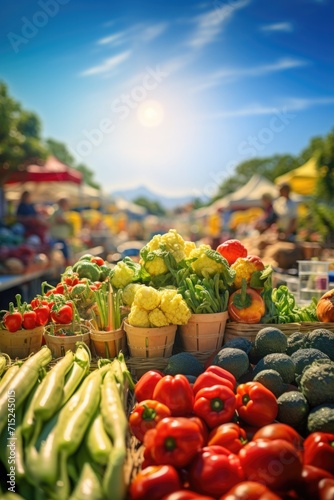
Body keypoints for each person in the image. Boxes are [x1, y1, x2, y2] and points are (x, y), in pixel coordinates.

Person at [49, 197, 73, 266]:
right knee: (64, 257)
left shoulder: (60, 210)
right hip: (57, 237)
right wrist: (69, 222)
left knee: (65, 256)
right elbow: (59, 219)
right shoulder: (57, 210)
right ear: (63, 203)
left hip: (60, 237)